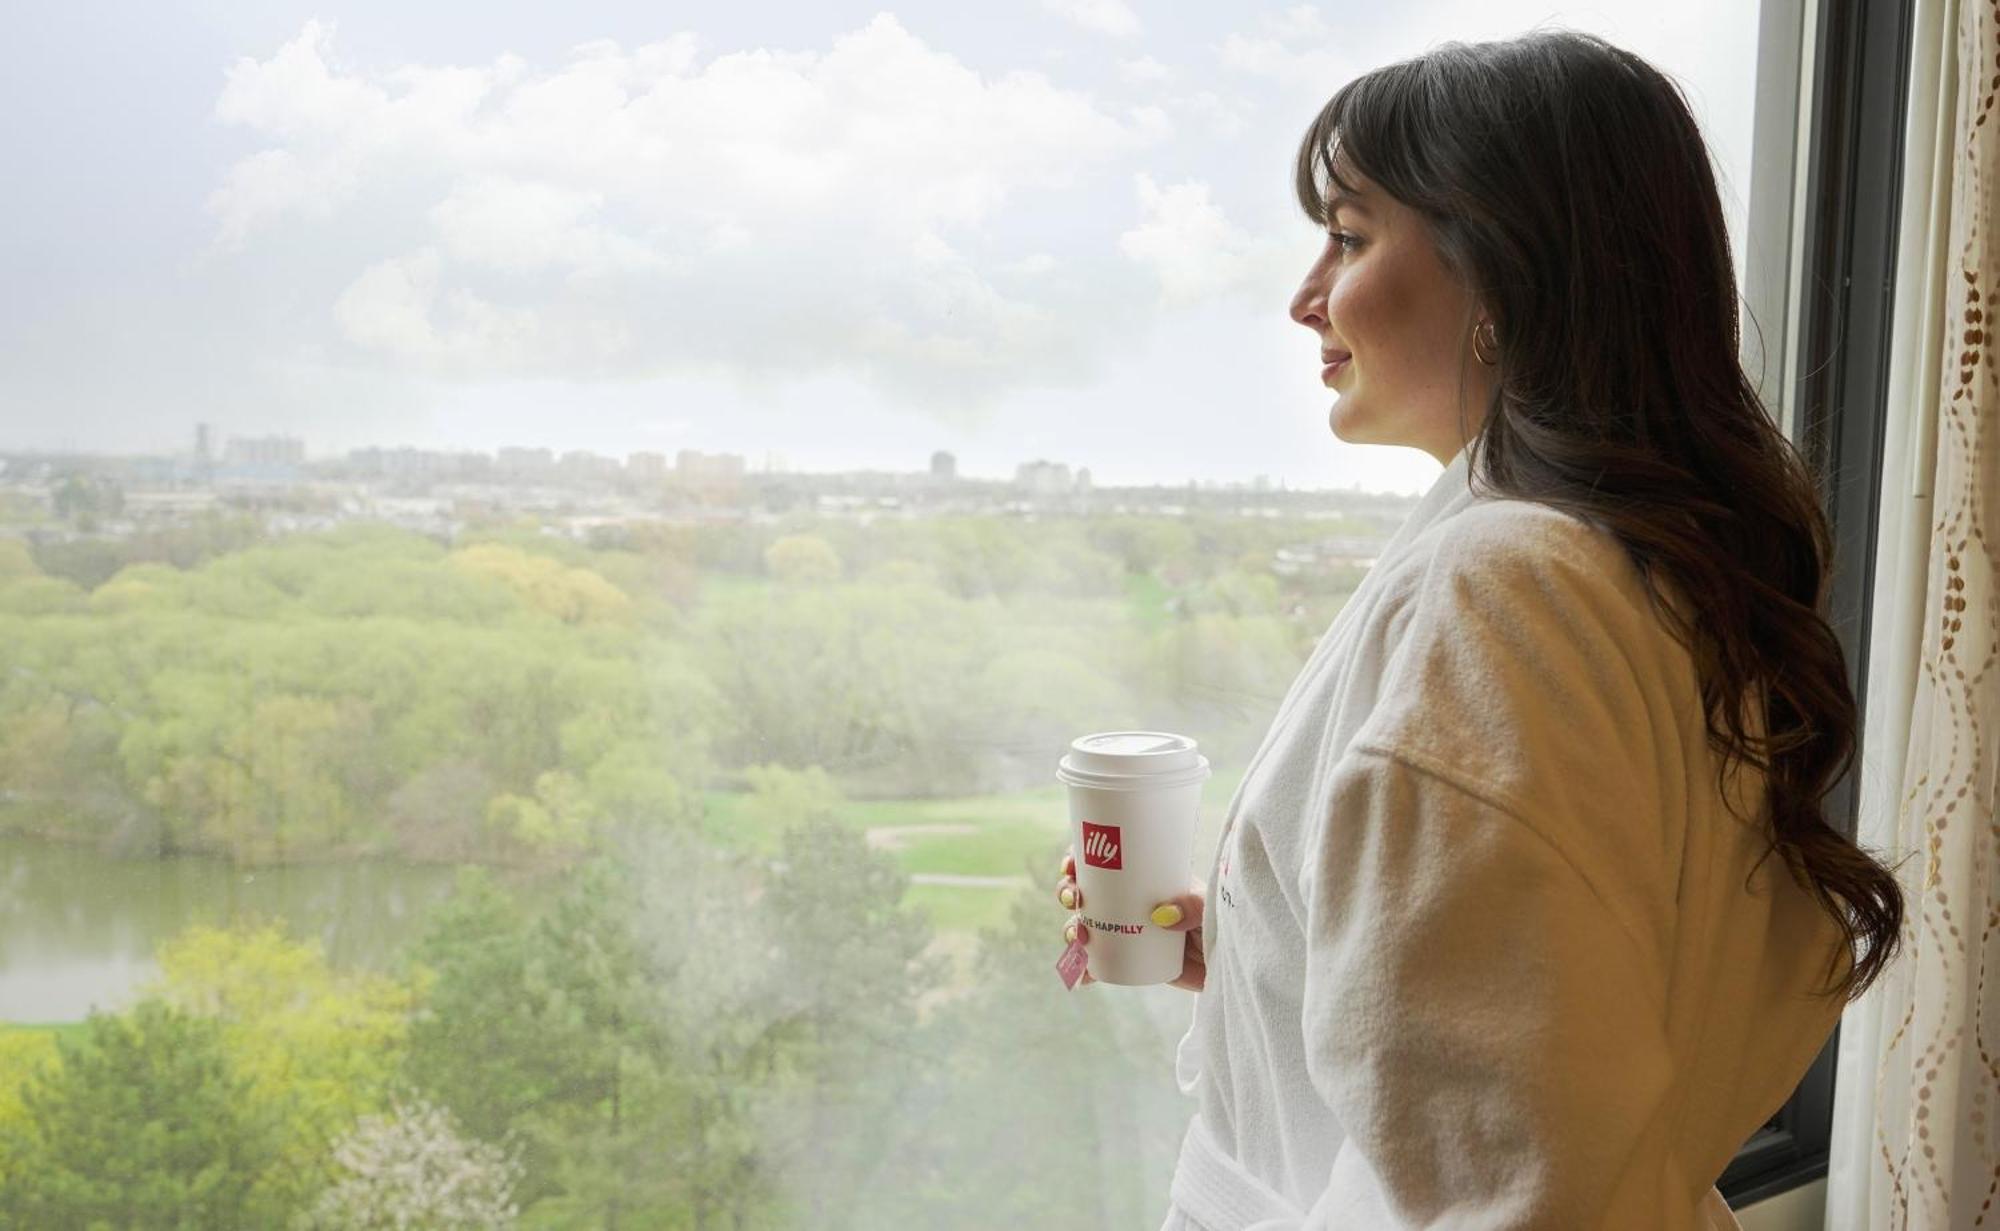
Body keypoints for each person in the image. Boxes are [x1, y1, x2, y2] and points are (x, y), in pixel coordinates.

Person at [1053, 28, 1906, 1230]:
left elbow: (1507, 1185)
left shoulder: (1499, 596)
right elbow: (1549, 992)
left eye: (1347, 237)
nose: (1304, 297)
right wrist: (1270, 946)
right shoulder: (1650, 562)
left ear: (1501, 274)